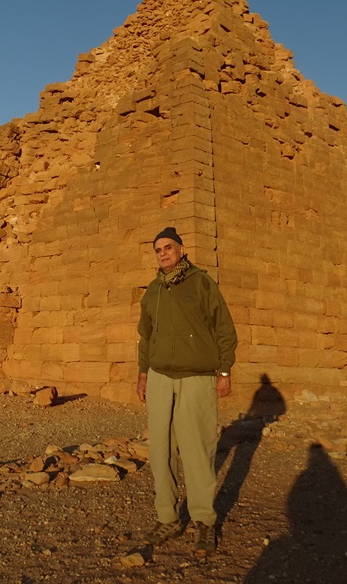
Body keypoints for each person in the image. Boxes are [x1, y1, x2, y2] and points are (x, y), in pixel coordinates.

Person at [135, 226, 238, 557]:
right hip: (160, 376)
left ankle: (204, 520)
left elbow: (224, 327)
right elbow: (145, 337)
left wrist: (223, 371)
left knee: (197, 450)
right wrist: (142, 374)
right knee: (160, 451)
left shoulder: (201, 283)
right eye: (157, 249)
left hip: (196, 377)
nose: (162, 253)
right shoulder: (153, 290)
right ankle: (167, 518)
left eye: (168, 247)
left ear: (181, 249)